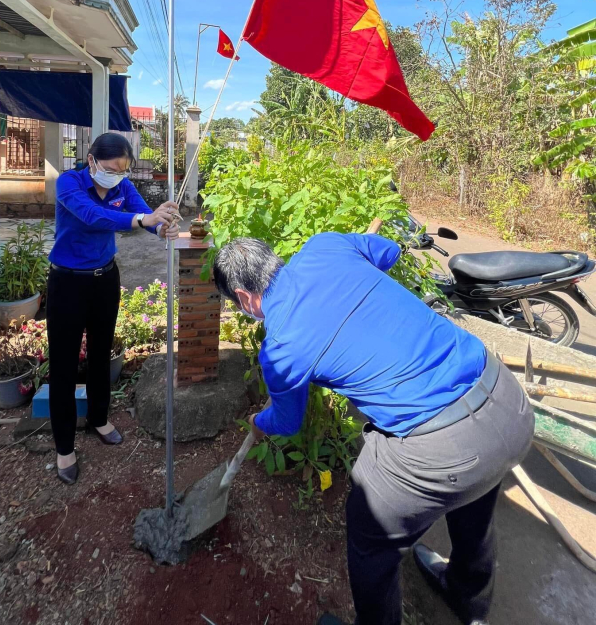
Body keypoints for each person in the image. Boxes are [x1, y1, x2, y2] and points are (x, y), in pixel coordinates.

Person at [213, 233, 534, 625]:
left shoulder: (281, 347)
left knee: (370, 536)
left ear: (244, 298)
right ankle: (466, 595)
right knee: (477, 488)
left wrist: (258, 421)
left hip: (443, 447)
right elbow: (389, 251)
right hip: (508, 402)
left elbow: (287, 422)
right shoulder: (325, 247)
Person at [47, 132, 180, 485]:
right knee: (63, 364)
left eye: (123, 171)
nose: (116, 177)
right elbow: (93, 216)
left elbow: (145, 215)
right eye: (111, 169)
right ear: (91, 160)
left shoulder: (122, 186)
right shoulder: (69, 183)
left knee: (101, 351)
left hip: (104, 279)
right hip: (67, 283)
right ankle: (64, 447)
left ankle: (98, 418)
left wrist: (162, 226)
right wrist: (142, 221)